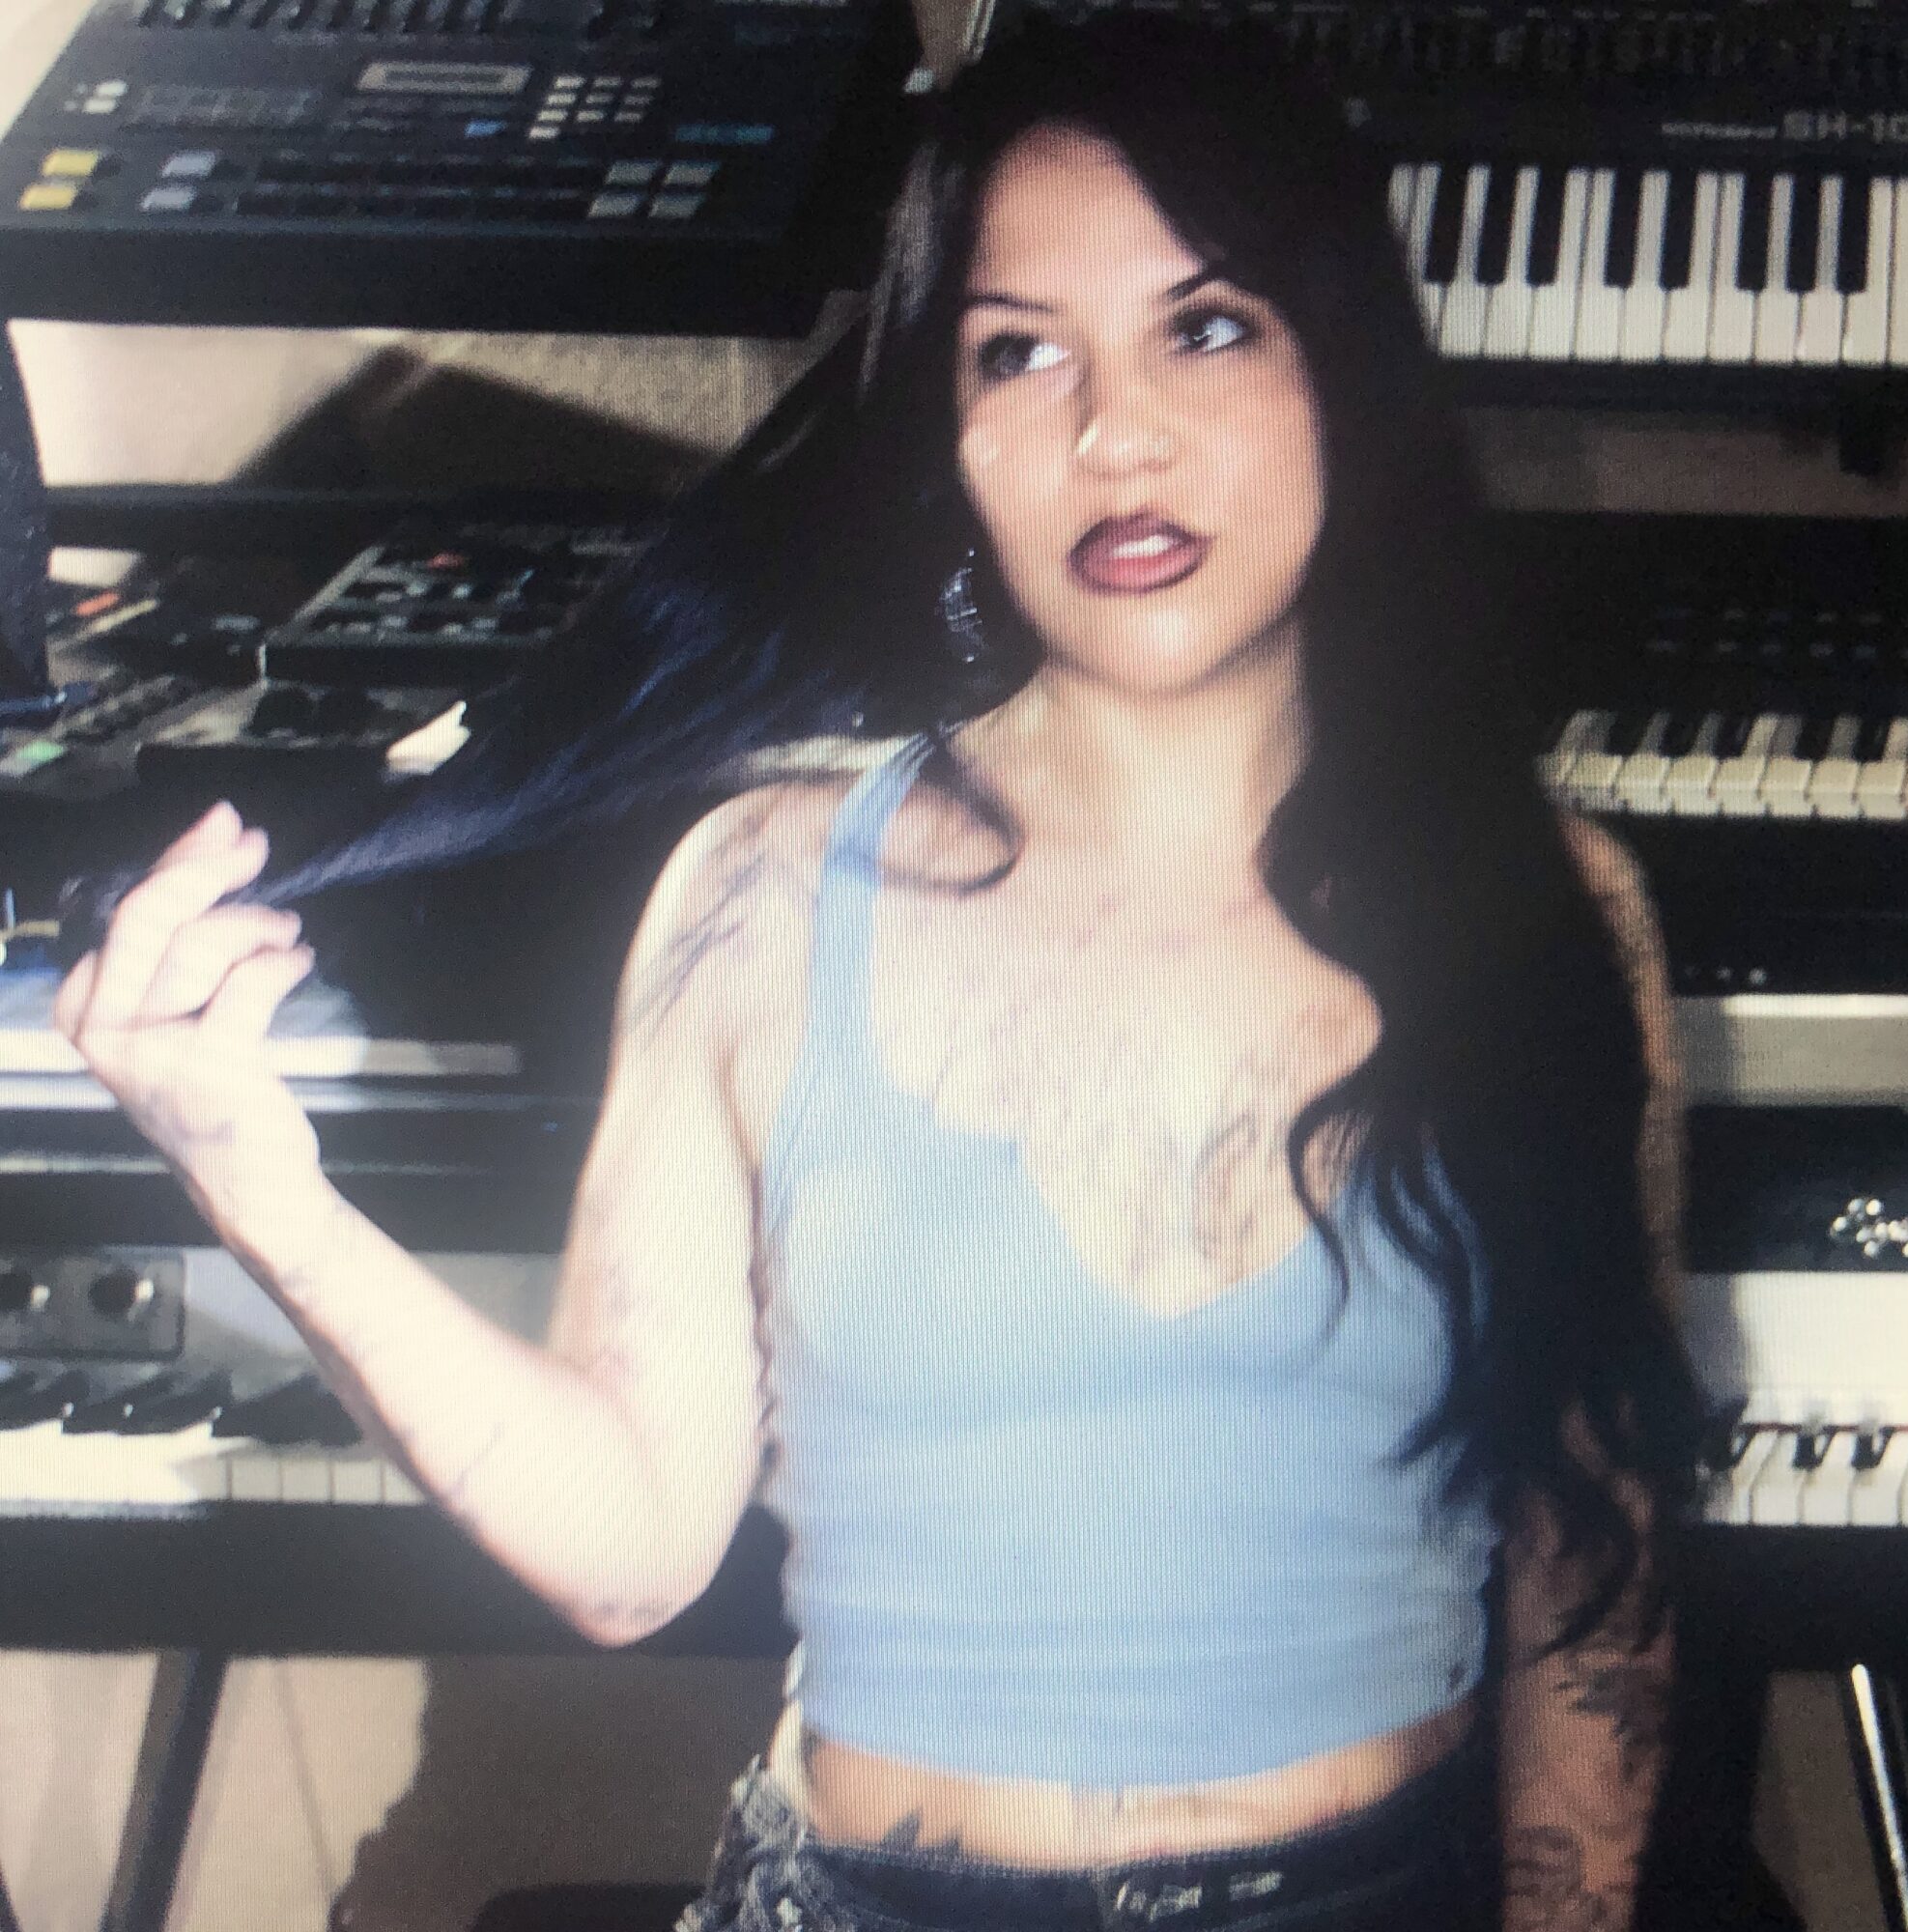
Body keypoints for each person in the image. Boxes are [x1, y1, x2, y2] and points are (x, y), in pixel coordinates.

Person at [52, 15, 1702, 1931]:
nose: (1113, 433)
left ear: (1344, 364)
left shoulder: (1551, 914)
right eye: (1018, 351)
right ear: (946, 426)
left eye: (1206, 326)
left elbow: (1594, 1578)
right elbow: (629, 1549)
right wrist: (258, 1183)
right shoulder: (762, 894)